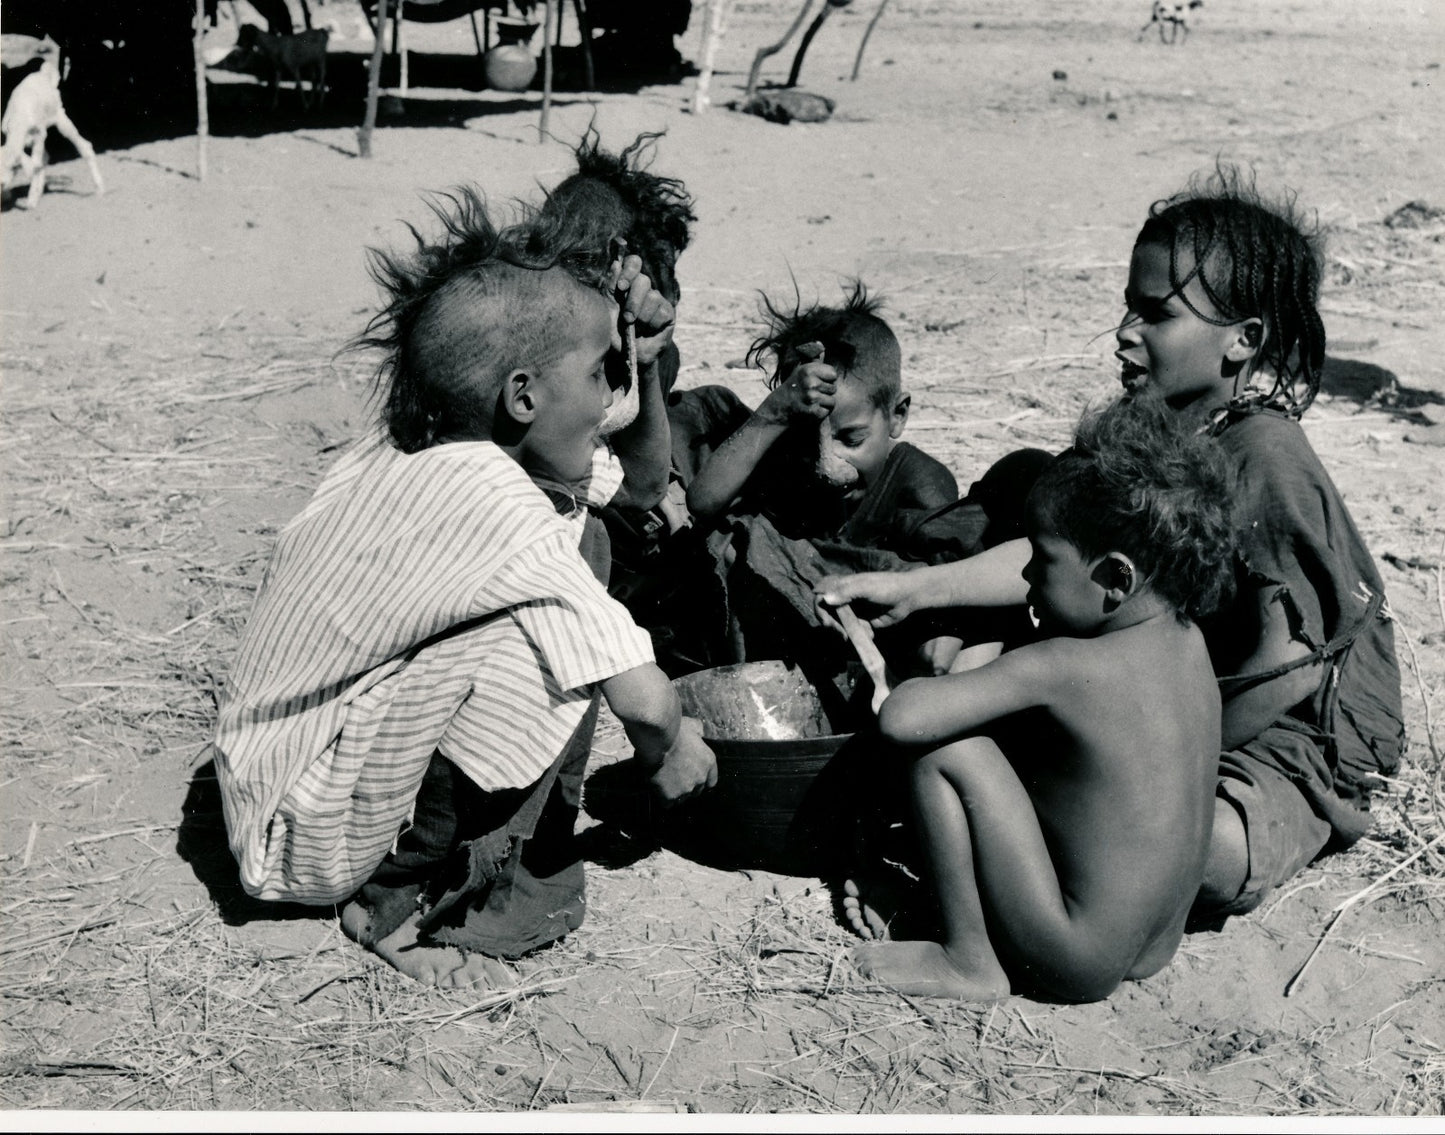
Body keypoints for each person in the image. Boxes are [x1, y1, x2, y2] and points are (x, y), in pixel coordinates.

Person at [822, 167, 1405, 924]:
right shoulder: (1152, 428)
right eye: (1129, 306)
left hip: (1287, 741)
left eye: (1156, 315)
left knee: (1194, 853)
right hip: (1160, 677)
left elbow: (1286, 670)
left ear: (1242, 341)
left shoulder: (1266, 458)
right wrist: (917, 589)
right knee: (962, 663)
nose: (1126, 331)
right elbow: (1067, 557)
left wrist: (1152, 765)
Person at [212, 190, 717, 989]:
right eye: (598, 375)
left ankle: (439, 855)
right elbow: (647, 701)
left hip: (273, 784)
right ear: (522, 397)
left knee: (577, 547)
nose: (607, 400)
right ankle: (394, 904)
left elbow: (641, 481)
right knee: (553, 644)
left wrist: (641, 362)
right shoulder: (500, 507)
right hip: (300, 839)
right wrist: (673, 752)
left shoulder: (417, 442)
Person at [853, 399, 1235, 1001]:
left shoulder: (1063, 665)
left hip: (1073, 958)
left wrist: (929, 670)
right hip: (1156, 945)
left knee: (947, 748)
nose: (1028, 577)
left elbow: (904, 720)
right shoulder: (1191, 644)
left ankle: (969, 960)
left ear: (1116, 579)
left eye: (1044, 559)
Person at [676, 283, 962, 676]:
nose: (829, 466)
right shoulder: (791, 470)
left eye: (851, 439)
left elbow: (943, 593)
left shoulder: (919, 483)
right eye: (809, 442)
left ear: (897, 415)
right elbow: (703, 502)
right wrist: (773, 415)